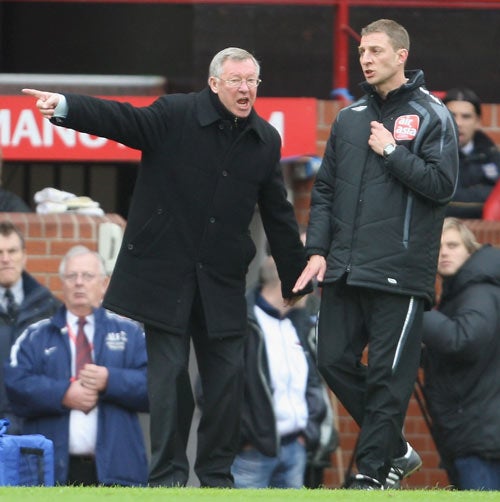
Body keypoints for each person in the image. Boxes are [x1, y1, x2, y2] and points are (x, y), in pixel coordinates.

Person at [23, 46, 311, 488]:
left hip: (221, 280)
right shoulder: (175, 114)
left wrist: (295, 275)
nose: (245, 89)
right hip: (165, 278)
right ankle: (169, 479)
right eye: (236, 80)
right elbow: (121, 120)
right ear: (214, 83)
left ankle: (216, 478)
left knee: (227, 382)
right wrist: (66, 105)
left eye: (252, 81)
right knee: (170, 379)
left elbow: (278, 212)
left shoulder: (264, 139)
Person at [293, 19, 459, 490]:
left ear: (401, 56)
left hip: (401, 270)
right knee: (331, 360)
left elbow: (442, 186)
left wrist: (392, 151)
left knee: (389, 378)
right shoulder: (349, 118)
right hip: (345, 266)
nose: (366, 58)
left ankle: (370, 475)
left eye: (376, 51)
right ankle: (394, 449)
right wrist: (318, 250)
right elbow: (324, 190)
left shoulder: (432, 114)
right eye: (362, 50)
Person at [4, 245, 149, 486]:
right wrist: (64, 394)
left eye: (87, 276)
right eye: (72, 276)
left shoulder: (130, 333)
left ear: (104, 283)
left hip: (118, 472)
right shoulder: (35, 335)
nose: (79, 282)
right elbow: (15, 386)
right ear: (62, 283)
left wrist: (109, 380)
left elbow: (157, 388)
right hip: (49, 473)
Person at [231, 254, 327, 489]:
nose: (312, 293)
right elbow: (215, 389)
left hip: (296, 448)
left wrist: (308, 434)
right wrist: (245, 439)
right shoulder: (243, 323)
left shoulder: (298, 324)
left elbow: (312, 382)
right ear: (288, 285)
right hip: (252, 454)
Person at [421, 218, 500, 490]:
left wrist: (417, 315)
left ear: (470, 249)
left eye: (452, 245)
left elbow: (463, 340)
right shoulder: (462, 292)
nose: (443, 252)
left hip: (481, 441)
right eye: (438, 246)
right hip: (474, 435)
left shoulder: (478, 291)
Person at [0, 221, 61, 434]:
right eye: (0, 252)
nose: (5, 259)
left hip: (36, 426)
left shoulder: (49, 307)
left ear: (24, 255)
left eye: (12, 251)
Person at [442, 87, 500, 219]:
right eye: (452, 115)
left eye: (466, 117)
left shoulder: (492, 156)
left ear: (478, 122)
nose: (458, 123)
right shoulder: (429, 154)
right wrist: (483, 194)